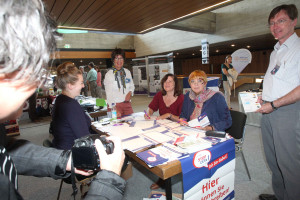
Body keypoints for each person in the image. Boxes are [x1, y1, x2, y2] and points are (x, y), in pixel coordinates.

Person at [0, 0, 126, 199]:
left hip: (64, 151)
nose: (39, 85)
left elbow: (9, 154)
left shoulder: (61, 100)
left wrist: (64, 159)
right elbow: (84, 136)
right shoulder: (69, 105)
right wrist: (108, 180)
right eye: (33, 72)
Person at [256, 4, 300, 200]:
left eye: (281, 21)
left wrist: (274, 104)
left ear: (294, 22)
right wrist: (264, 96)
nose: (275, 26)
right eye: (272, 23)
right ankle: (281, 195)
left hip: (288, 112)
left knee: (290, 164)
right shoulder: (275, 51)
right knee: (274, 161)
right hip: (269, 110)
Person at [52, 62, 92, 150]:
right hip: (72, 155)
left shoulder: (60, 99)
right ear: (70, 85)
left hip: (61, 151)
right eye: (81, 83)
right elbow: (85, 139)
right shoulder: (71, 106)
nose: (83, 85)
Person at [104, 48, 135, 117]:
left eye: (121, 58)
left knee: (131, 123)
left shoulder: (127, 72)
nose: (119, 61)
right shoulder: (109, 74)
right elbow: (108, 95)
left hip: (127, 104)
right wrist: (114, 109)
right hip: (114, 105)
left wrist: (130, 92)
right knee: (115, 126)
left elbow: (132, 86)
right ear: (113, 60)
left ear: (124, 60)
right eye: (117, 58)